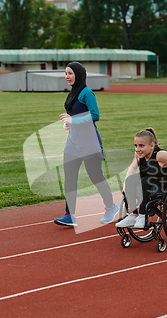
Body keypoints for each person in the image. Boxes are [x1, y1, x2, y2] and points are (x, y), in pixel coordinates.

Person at [54, 62, 118, 226]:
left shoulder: (86, 93)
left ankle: (111, 207)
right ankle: (70, 215)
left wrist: (73, 120)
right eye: (66, 73)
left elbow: (95, 115)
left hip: (89, 142)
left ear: (79, 75)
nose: (67, 76)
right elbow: (73, 116)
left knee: (96, 177)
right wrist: (68, 124)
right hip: (73, 143)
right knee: (70, 179)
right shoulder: (72, 93)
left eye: (70, 73)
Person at [115, 128, 167, 229]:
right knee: (131, 180)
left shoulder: (160, 155)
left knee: (145, 180)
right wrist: (125, 188)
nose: (137, 149)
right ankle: (133, 215)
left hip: (166, 184)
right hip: (151, 184)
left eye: (141, 146)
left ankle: (142, 216)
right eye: (136, 145)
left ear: (152, 146)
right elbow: (133, 168)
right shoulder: (139, 155)